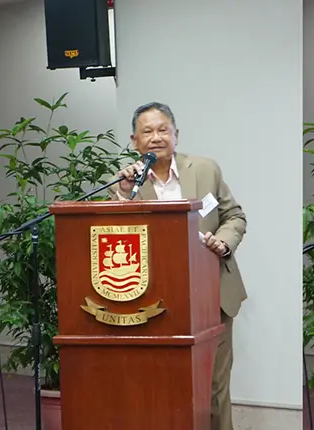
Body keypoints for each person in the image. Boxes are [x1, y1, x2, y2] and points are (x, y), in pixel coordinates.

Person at [112, 101, 247, 430]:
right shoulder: (126, 182)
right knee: (161, 386)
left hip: (212, 293)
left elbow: (234, 216)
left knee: (215, 387)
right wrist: (124, 195)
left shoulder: (205, 170)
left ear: (176, 134)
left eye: (163, 130)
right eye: (147, 131)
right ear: (134, 140)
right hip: (154, 301)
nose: (156, 137)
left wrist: (223, 242)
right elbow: (114, 233)